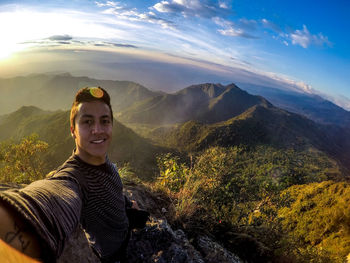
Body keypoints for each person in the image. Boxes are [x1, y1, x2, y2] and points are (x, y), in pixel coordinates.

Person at [0, 87, 147, 262]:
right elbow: (54, 195)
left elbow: (111, 191)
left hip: (125, 228)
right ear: (73, 131)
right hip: (110, 255)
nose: (97, 129)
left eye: (105, 121)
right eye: (87, 122)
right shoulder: (74, 178)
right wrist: (18, 217)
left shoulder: (107, 164)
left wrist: (128, 204)